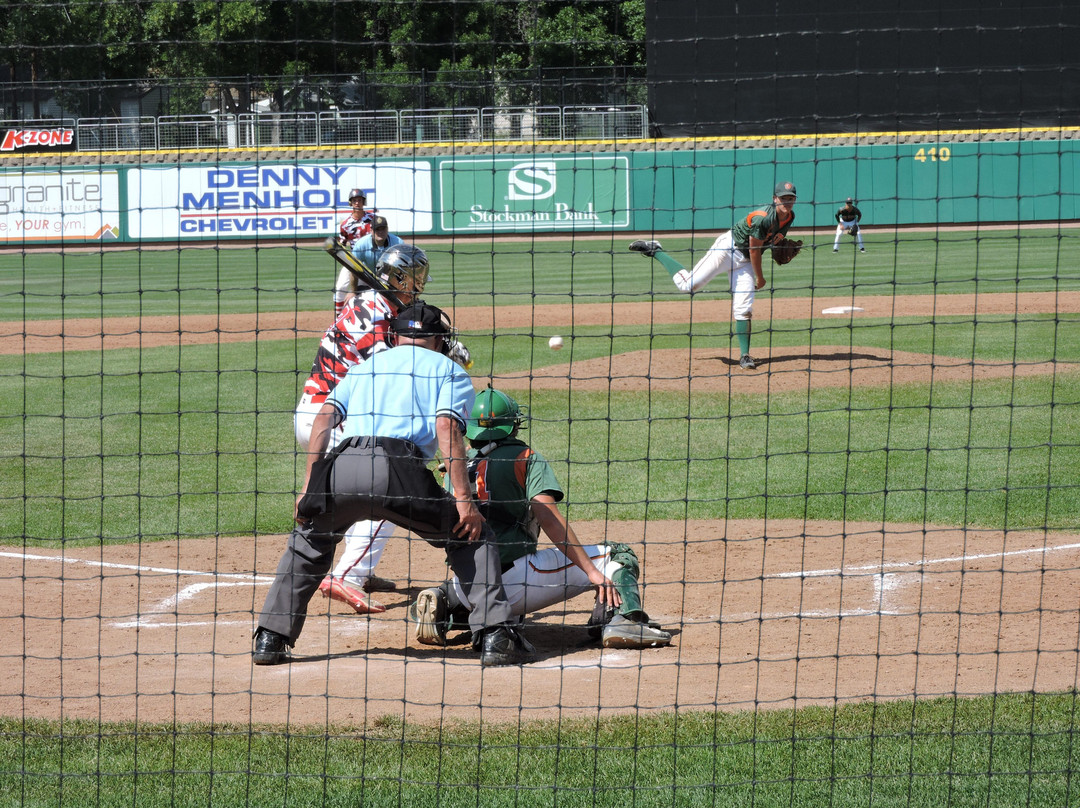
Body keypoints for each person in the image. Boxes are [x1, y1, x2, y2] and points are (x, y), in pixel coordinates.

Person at [254, 302, 534, 668]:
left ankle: (270, 639)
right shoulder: (450, 371)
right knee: (471, 534)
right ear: (439, 339)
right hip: (399, 470)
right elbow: (447, 428)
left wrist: (311, 486)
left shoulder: (364, 367)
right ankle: (496, 635)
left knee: (309, 540)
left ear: (394, 335)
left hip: (343, 466)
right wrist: (465, 500)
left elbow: (324, 417)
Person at [407, 388, 673, 650]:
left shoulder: (454, 468)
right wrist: (593, 572)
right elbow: (549, 518)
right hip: (518, 581)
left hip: (470, 583)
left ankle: (446, 601)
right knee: (617, 555)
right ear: (512, 425)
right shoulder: (525, 458)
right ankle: (625, 620)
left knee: (493, 597)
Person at [294, 244, 431, 613]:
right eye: (416, 280)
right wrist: (438, 351)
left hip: (321, 412)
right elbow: (391, 370)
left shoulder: (373, 305)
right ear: (403, 278)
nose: (419, 287)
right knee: (390, 485)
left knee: (356, 492)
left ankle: (354, 569)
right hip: (332, 416)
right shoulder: (375, 311)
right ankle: (349, 575)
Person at [629, 180, 798, 371]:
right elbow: (754, 250)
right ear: (774, 199)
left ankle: (745, 356)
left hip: (745, 262)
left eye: (791, 198)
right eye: (783, 198)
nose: (787, 202)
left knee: (744, 307)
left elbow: (767, 242)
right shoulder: (762, 217)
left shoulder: (790, 217)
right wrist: (760, 278)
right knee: (687, 286)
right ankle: (655, 250)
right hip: (726, 250)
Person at [334, 188, 375, 317]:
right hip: (353, 260)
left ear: (364, 202)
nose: (357, 203)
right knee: (340, 288)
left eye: (359, 200)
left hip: (371, 259)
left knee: (376, 290)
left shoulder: (372, 219)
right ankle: (338, 320)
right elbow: (341, 243)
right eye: (354, 200)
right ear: (350, 203)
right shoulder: (345, 224)